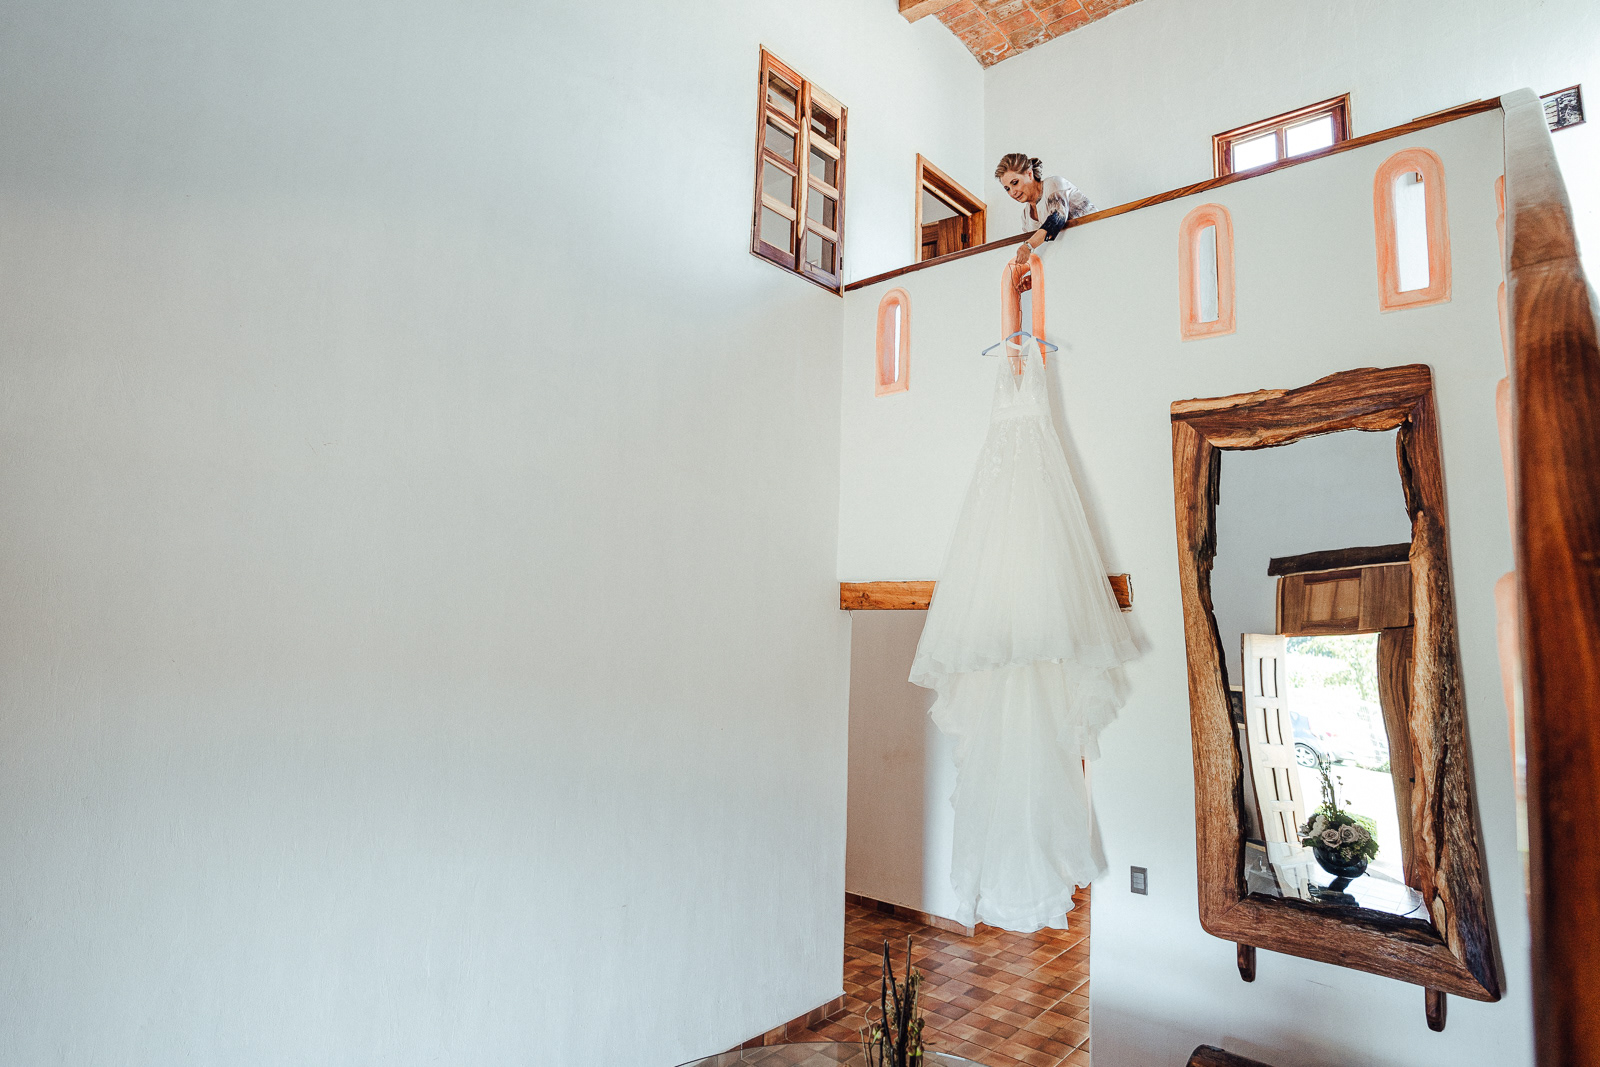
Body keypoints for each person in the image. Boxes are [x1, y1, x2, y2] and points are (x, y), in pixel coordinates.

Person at [994, 152, 1096, 270]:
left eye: (1015, 183)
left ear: (1029, 174)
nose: (1012, 192)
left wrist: (1028, 245)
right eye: (1007, 189)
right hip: (1072, 259)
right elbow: (1035, 252)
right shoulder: (1026, 216)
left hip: (1094, 241)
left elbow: (1057, 219)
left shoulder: (1053, 183)